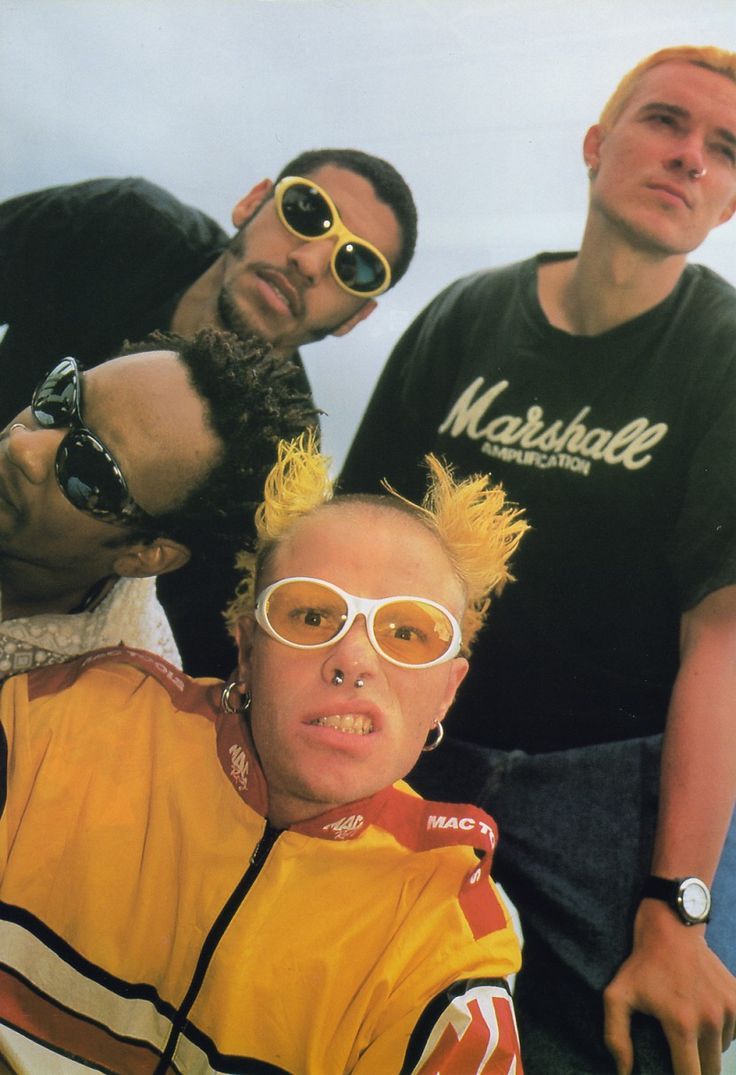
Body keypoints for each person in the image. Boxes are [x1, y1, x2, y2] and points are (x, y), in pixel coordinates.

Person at [340, 45, 736, 1075]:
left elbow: (723, 642)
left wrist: (675, 913)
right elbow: (354, 558)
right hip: (417, 752)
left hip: (612, 787)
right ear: (598, 145)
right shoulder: (468, 317)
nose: (690, 157)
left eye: (725, 150)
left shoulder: (721, 353)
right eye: (664, 123)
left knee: (639, 1041)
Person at [0, 434, 528, 1074]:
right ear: (247, 651)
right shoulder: (65, 724)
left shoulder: (450, 932)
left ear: (447, 692)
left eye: (408, 632)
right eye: (310, 616)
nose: (353, 661)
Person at [0, 147, 418, 676]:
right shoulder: (114, 227)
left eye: (355, 267)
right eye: (306, 213)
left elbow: (180, 653)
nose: (309, 262)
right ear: (250, 203)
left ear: (356, 317)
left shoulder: (281, 476)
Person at [0, 328, 312, 681]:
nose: (24, 446)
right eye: (60, 397)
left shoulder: (126, 713)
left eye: (89, 468)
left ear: (146, 555)